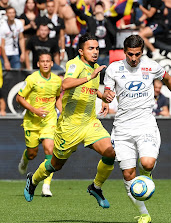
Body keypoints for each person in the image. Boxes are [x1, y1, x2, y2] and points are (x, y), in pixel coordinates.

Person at [23, 33, 116, 209]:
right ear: (81, 51)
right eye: (90, 48)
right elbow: (66, 84)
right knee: (55, 165)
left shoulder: (94, 67)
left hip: (90, 122)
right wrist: (90, 76)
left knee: (110, 152)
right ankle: (33, 180)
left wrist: (103, 96)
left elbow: (91, 88)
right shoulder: (75, 64)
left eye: (97, 48)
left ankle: (96, 187)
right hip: (69, 125)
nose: (95, 52)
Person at [102, 35, 171, 223]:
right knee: (128, 175)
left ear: (142, 52)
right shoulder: (114, 69)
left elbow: (169, 79)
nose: (133, 58)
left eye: (137, 54)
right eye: (130, 54)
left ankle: (147, 177)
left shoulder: (151, 66)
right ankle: (144, 214)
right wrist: (106, 97)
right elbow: (107, 91)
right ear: (124, 52)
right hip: (122, 128)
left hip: (145, 124)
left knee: (146, 163)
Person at [16, 50, 62, 197]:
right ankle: (25, 159)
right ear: (38, 64)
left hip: (49, 121)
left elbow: (57, 98)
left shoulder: (57, 80)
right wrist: (34, 110)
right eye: (43, 61)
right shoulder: (31, 79)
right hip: (32, 122)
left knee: (50, 151)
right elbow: (19, 97)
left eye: (48, 61)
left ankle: (46, 186)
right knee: (32, 153)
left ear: (52, 63)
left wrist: (62, 112)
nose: (45, 64)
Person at [70, 0, 116, 66]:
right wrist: (73, 5)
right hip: (94, 53)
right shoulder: (91, 20)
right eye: (97, 8)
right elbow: (79, 14)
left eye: (101, 8)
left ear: (103, 10)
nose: (99, 9)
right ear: (94, 11)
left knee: (105, 73)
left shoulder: (108, 21)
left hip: (106, 53)